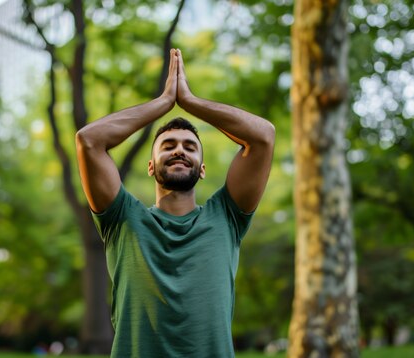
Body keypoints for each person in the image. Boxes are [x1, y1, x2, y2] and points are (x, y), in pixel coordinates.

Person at [75, 49, 275, 357]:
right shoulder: (123, 218)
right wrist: (163, 103)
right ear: (151, 166)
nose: (179, 150)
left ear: (202, 168)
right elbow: (89, 141)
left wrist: (190, 101)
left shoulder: (226, 216)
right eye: (168, 145)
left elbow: (263, 136)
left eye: (190, 147)